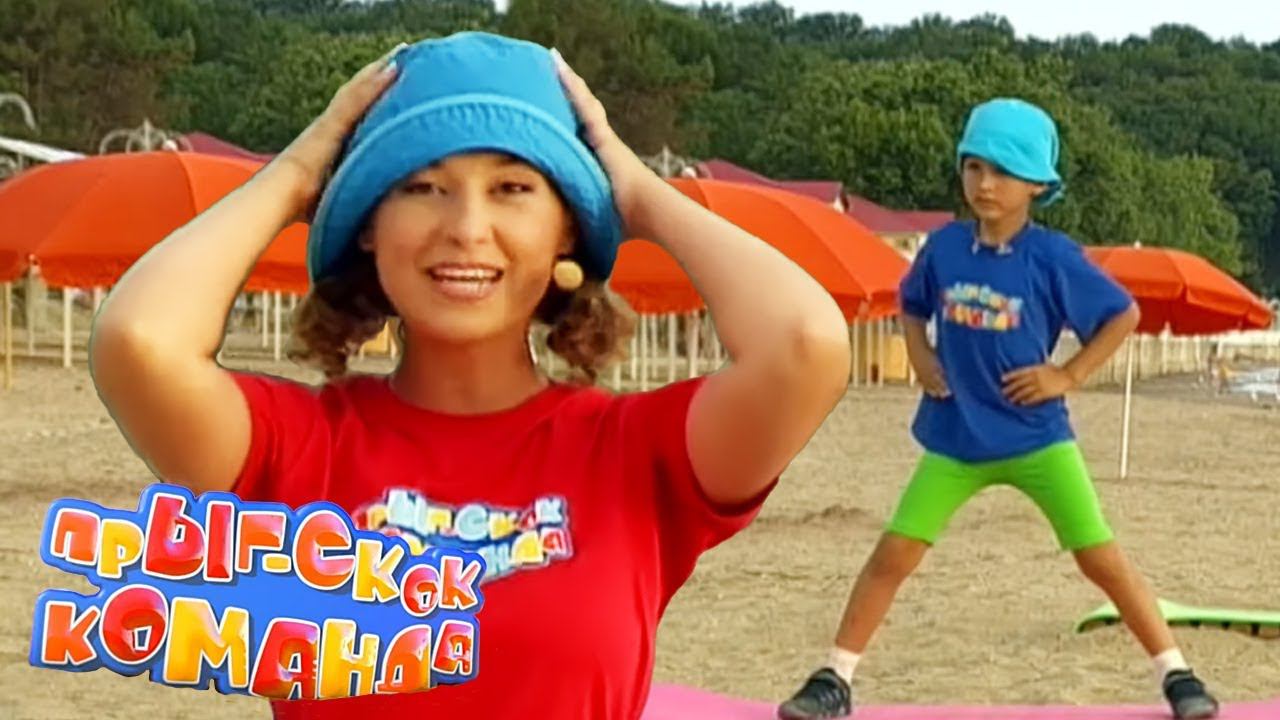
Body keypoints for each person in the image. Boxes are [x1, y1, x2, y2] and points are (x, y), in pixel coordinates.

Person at [89, 32, 851, 720]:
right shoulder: (294, 450)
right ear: (369, 226)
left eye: (513, 188)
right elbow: (139, 341)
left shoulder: (633, 455)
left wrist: (636, 191)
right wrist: (294, 174)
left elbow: (805, 344)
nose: (465, 227)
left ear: (565, 229)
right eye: (420, 187)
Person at [777, 98, 1220, 720]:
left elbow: (1122, 314)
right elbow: (911, 303)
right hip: (956, 438)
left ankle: (1177, 675)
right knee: (894, 555)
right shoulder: (944, 249)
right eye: (974, 167)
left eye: (1004, 172)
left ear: (1037, 184)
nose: (985, 184)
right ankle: (834, 678)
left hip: (1038, 437)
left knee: (1100, 558)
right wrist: (920, 354)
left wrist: (1068, 374)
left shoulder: (1053, 257)